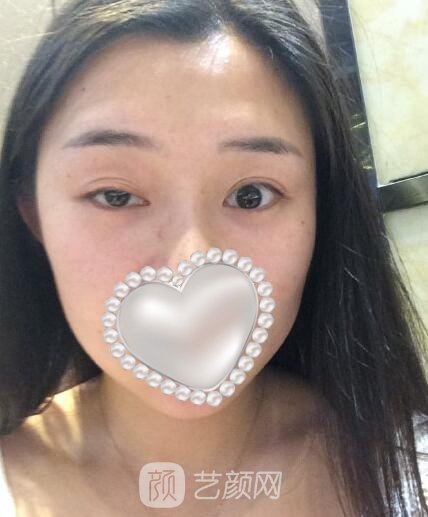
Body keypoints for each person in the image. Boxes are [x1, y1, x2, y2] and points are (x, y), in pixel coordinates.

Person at [0, 0, 427, 515]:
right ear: (34, 216)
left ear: (322, 213)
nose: (190, 264)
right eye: (115, 195)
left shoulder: (411, 470)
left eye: (251, 195)